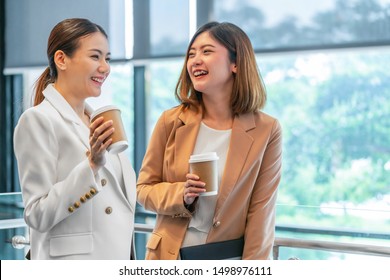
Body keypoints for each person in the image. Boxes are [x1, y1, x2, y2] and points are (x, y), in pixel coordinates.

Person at [136, 21, 282, 260]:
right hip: (168, 258)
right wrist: (180, 194)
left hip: (226, 260)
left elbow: (261, 214)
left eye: (207, 51)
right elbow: (143, 190)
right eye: (191, 54)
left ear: (236, 63)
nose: (195, 60)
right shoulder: (171, 121)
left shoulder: (266, 130)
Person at [13, 18, 136, 260]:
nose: (105, 67)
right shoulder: (38, 120)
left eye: (107, 58)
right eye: (95, 56)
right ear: (61, 59)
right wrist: (92, 165)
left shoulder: (99, 121)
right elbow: (37, 214)